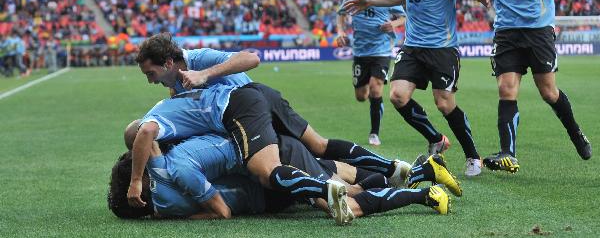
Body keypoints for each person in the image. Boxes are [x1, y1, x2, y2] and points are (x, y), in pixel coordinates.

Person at [134, 33, 411, 186]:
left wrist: (205, 74)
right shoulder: (175, 88)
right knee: (317, 147)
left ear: (169, 63)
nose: (150, 81)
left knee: (283, 166)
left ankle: (351, 188)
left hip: (251, 111)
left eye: (151, 73)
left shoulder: (199, 59)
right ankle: (392, 170)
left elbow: (252, 58)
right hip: (256, 109)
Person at [343, 0, 490, 177]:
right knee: (397, 96)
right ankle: (436, 139)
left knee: (444, 104)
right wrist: (371, 2)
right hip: (412, 45)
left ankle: (472, 155)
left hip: (442, 48)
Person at [459, 0, 592, 172]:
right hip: (506, 29)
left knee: (548, 92)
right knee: (506, 89)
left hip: (537, 27)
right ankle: (509, 153)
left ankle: (576, 133)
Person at [110, 126, 458, 220]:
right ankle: (421, 172)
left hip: (273, 166)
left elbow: (140, 134)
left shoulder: (172, 169)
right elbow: (140, 136)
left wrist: (139, 181)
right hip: (269, 155)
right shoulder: (167, 164)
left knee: (347, 203)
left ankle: (422, 192)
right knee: (347, 176)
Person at [126, 84, 354, 225]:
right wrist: (136, 179)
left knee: (327, 174)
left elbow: (145, 134)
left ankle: (369, 184)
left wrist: (138, 181)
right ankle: (383, 177)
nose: (150, 79)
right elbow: (144, 133)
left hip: (260, 174)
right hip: (253, 134)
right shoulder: (175, 165)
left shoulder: (171, 179)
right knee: (325, 164)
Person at [336, 0, 406, 146]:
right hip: (360, 50)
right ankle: (368, 96)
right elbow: (341, 14)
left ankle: (374, 133)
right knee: (361, 96)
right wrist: (341, 31)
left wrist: (393, 24)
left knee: (376, 89)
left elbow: (403, 17)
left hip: (382, 50)